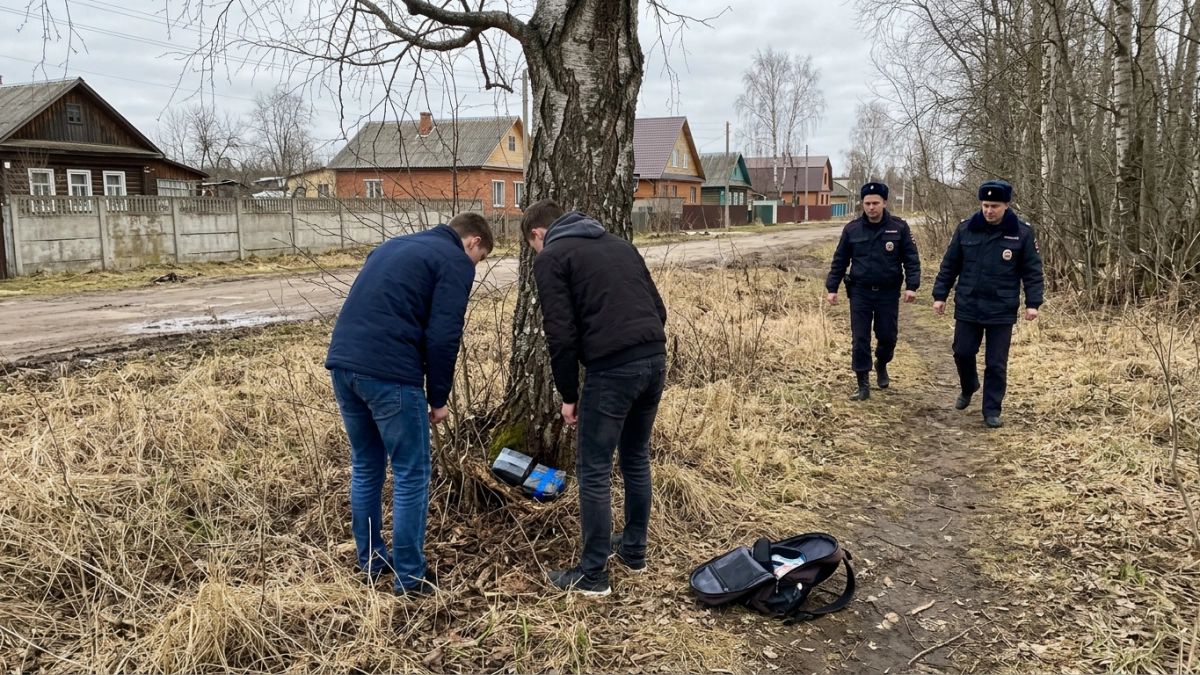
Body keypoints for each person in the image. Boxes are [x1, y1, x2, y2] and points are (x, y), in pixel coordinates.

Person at [325, 213, 493, 595]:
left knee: (366, 465)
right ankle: (410, 577)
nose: (475, 266)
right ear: (473, 242)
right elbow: (443, 334)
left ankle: (370, 561)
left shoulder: (392, 246)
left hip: (343, 365)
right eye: (479, 258)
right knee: (411, 474)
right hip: (390, 374)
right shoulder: (453, 260)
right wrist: (438, 397)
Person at [524, 199, 668, 597]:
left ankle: (593, 576)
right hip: (654, 358)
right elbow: (658, 309)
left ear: (538, 234)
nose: (537, 251)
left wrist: (569, 394)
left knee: (594, 470)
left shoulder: (551, 256)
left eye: (533, 245)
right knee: (636, 457)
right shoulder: (620, 244)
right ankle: (634, 552)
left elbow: (560, 333)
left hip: (612, 369)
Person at [932, 180, 1043, 428]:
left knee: (995, 363)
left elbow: (1032, 271)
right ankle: (969, 385)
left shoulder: (1022, 233)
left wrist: (1032, 303)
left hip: (1002, 307)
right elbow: (949, 266)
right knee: (962, 352)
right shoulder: (965, 230)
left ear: (1006, 205)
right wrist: (940, 295)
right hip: (968, 303)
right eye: (985, 205)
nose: (989, 210)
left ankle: (991, 409)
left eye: (994, 205)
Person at [825, 182, 921, 401]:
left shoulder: (899, 228)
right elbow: (839, 260)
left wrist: (912, 286)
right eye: (867, 203)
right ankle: (862, 384)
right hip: (860, 292)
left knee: (887, 337)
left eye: (875, 203)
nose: (871, 207)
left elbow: (911, 259)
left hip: (888, 292)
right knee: (860, 338)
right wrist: (832, 288)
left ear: (884, 203)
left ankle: (882, 363)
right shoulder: (852, 229)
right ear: (862, 204)